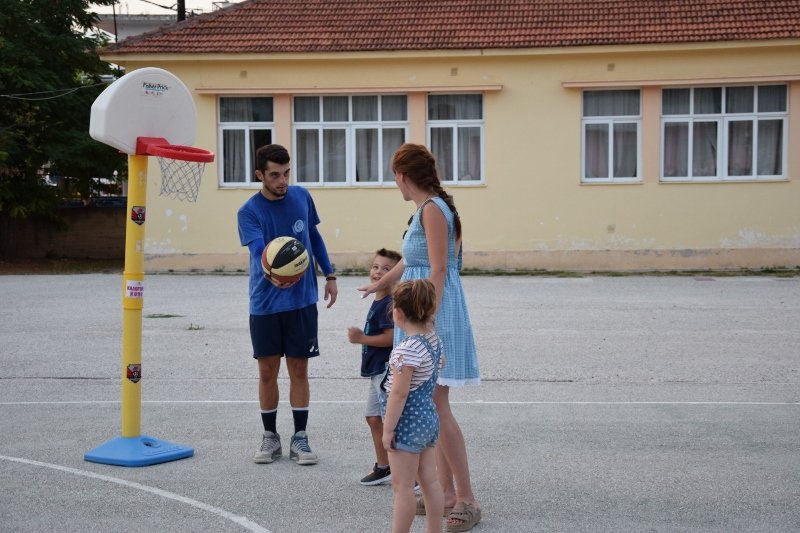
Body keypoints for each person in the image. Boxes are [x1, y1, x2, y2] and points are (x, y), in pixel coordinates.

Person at [359, 143, 481, 532]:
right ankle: (443, 494)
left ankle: (465, 499)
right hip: (424, 312)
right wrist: (381, 283)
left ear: (402, 176)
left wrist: (427, 320)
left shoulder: (432, 210)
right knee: (431, 405)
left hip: (433, 313)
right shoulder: (425, 209)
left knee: (438, 406)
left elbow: (440, 268)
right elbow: (412, 261)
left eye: (394, 175)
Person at [237, 143, 338, 466]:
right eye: (275, 175)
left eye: (286, 173)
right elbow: (258, 252)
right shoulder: (249, 211)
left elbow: (314, 236)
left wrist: (330, 274)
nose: (283, 181)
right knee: (267, 372)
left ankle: (300, 438)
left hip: (302, 302)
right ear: (260, 175)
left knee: (299, 369)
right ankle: (270, 437)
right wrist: (274, 271)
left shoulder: (301, 196)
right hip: (265, 303)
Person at [381, 279, 444, 533]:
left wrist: (387, 430)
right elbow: (438, 366)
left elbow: (398, 394)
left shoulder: (405, 352)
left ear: (397, 313)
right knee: (430, 481)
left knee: (403, 487)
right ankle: (434, 530)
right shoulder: (432, 341)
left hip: (407, 425)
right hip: (428, 420)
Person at [348, 248, 402, 486]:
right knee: (373, 417)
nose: (378, 272)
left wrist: (363, 339)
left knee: (390, 420)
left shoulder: (389, 304)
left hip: (385, 370)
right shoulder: (378, 300)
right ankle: (384, 467)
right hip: (375, 371)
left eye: (386, 269)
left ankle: (408, 471)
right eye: (375, 267)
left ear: (396, 275)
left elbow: (390, 338)